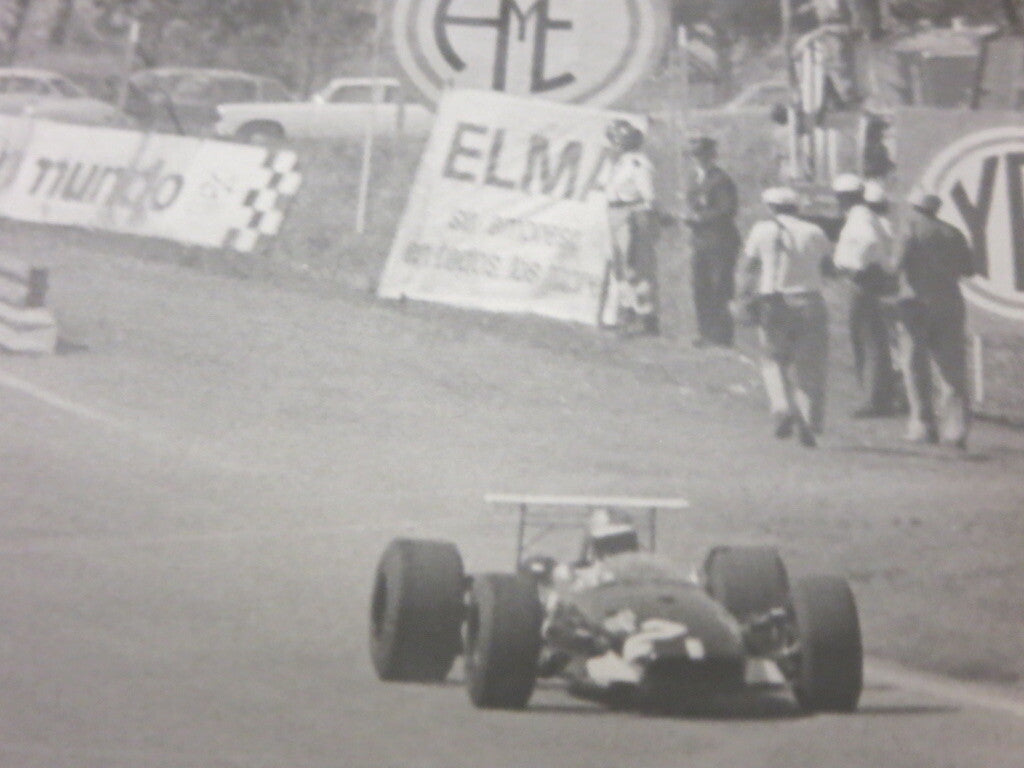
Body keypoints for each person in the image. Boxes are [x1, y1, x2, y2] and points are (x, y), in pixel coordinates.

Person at [735, 186, 834, 447]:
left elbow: (748, 267)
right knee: (809, 363)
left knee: (773, 357)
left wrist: (743, 297)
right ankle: (809, 419)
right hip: (810, 299)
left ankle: (781, 406)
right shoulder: (815, 232)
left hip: (774, 301)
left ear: (770, 207)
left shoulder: (761, 230)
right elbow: (828, 266)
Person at [894, 188, 976, 448]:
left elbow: (896, 264)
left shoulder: (909, 230)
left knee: (915, 365)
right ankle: (956, 429)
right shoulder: (953, 232)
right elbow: (969, 269)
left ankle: (923, 425)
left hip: (915, 302)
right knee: (952, 368)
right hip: (950, 302)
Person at [832, 174, 900, 417]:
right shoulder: (867, 216)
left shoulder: (859, 218)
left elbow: (867, 242)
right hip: (870, 279)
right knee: (873, 339)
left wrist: (855, 266)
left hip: (863, 280)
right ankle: (880, 395)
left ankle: (874, 399)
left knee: (867, 339)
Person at [683, 135, 740, 347]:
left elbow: (727, 210)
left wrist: (700, 218)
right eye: (693, 155)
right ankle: (705, 332)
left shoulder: (721, 180)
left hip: (720, 241)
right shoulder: (694, 178)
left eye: (701, 155)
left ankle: (722, 335)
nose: (697, 159)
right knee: (700, 286)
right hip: (700, 240)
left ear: (711, 156)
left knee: (720, 287)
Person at [605, 118, 660, 336]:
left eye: (619, 139)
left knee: (635, 268)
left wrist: (639, 221)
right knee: (621, 267)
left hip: (632, 215)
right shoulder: (621, 163)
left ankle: (646, 317)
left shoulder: (638, 164)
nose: (615, 143)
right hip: (617, 213)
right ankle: (628, 311)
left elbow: (649, 198)